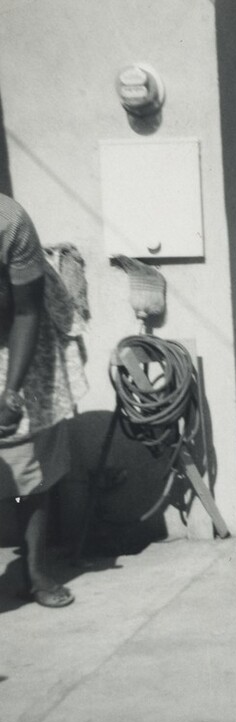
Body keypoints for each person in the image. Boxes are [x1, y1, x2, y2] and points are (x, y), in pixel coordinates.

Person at [0, 193, 75, 607]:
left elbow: (26, 312)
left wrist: (11, 394)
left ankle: (35, 571)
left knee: (25, 466)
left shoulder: (9, 220)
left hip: (14, 341)